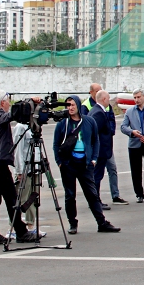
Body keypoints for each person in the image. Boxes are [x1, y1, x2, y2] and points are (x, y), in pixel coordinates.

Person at [53, 96, 119, 234]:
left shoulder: (89, 121)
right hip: (68, 164)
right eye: (68, 105)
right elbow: (56, 144)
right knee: (70, 195)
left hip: (85, 164)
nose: (70, 108)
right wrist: (59, 162)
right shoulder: (62, 124)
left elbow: (96, 141)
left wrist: (94, 159)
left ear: (78, 105)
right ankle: (73, 223)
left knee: (92, 194)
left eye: (72, 105)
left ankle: (101, 222)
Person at [0, 90, 37, 245]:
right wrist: (29, 101)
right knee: (11, 197)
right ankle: (21, 232)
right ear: (2, 102)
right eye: (8, 101)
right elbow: (11, 115)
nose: (9, 103)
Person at [88, 90, 118, 210]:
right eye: (108, 98)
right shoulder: (99, 113)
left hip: (100, 151)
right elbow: (94, 133)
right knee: (97, 176)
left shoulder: (95, 110)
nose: (109, 100)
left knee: (97, 176)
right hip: (100, 152)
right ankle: (96, 201)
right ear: (104, 99)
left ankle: (95, 200)